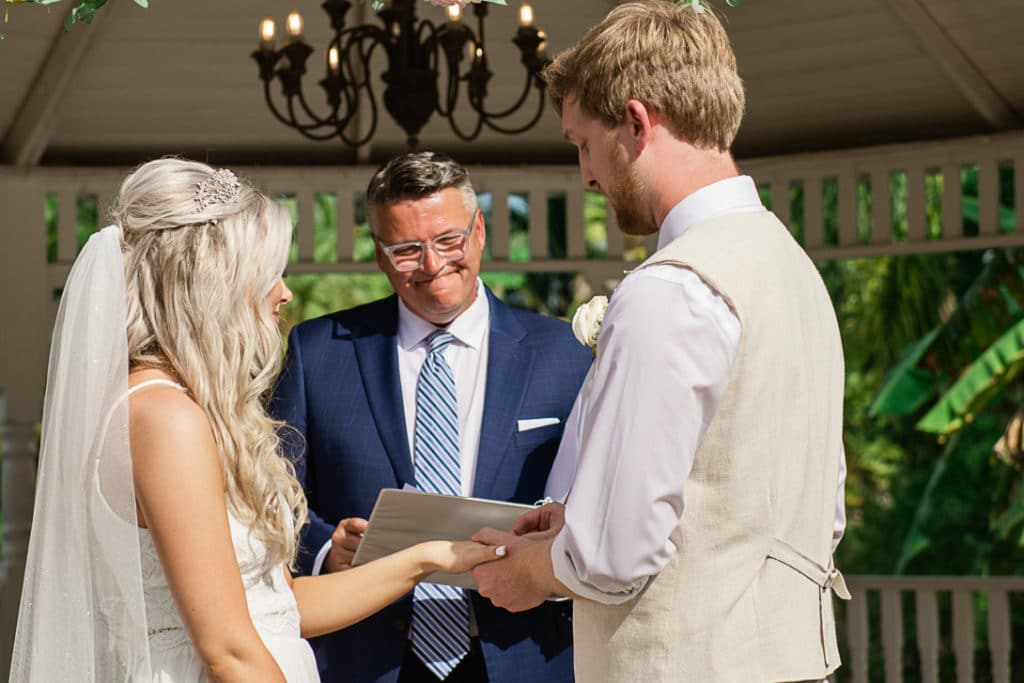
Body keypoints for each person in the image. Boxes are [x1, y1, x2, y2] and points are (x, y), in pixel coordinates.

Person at [10, 158, 503, 683]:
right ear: (212, 284)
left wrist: (428, 558)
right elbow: (228, 650)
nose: (284, 293)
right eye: (271, 274)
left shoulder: (174, 404)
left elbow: (278, 607)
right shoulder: (164, 417)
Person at [471, 2, 850, 682]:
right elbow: (815, 508)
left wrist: (533, 567)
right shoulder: (793, 268)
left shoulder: (671, 287)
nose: (587, 175)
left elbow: (615, 555)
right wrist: (575, 520)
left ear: (638, 123)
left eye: (584, 143)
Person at [270, 151, 591, 683]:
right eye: (406, 250)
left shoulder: (564, 352)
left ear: (480, 230)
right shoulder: (317, 350)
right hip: (367, 656)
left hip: (526, 653)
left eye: (448, 241)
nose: (433, 264)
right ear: (378, 253)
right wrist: (328, 548)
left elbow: (601, 501)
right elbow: (270, 499)